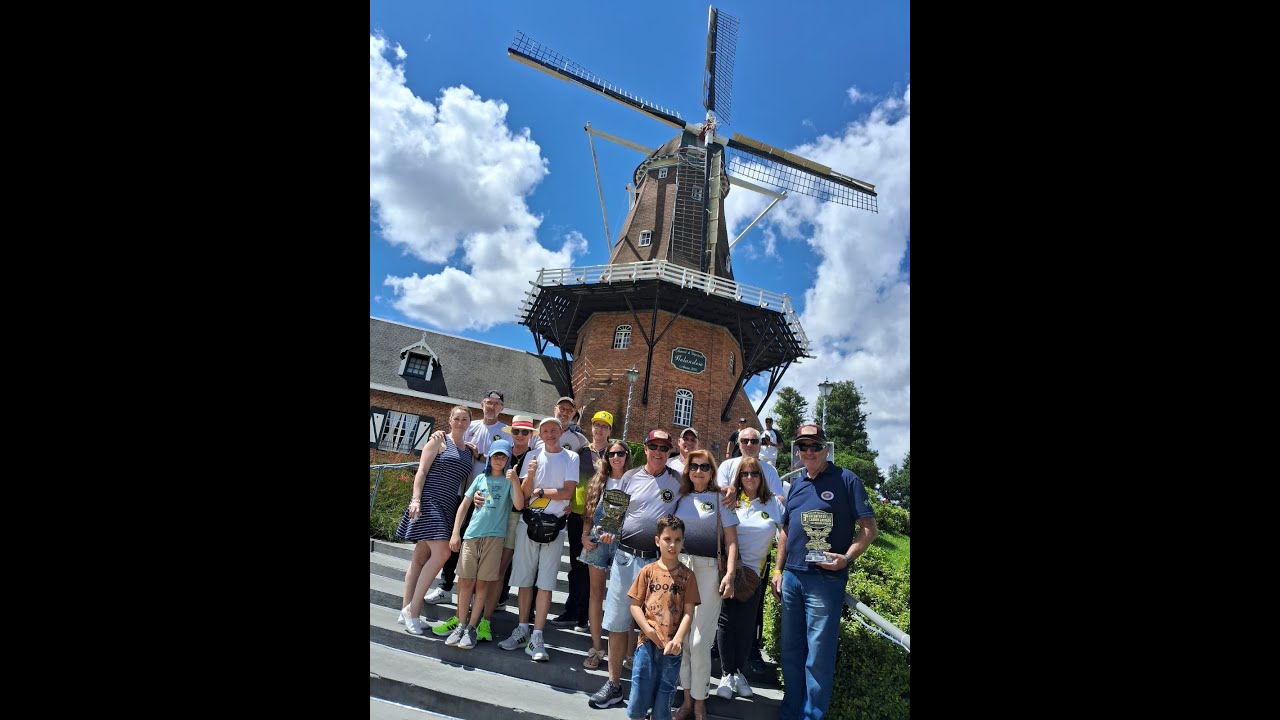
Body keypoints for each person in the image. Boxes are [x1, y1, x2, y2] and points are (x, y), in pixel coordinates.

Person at [773, 425, 879, 720]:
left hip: (825, 580)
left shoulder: (847, 480)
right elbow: (785, 531)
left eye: (814, 446)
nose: (808, 452)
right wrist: (778, 570)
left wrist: (846, 558)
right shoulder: (796, 485)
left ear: (825, 449)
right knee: (792, 653)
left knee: (817, 658)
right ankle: (790, 713)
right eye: (803, 446)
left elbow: (869, 530)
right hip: (792, 577)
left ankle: (811, 716)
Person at [587, 429, 683, 710]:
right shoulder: (629, 477)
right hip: (625, 557)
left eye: (664, 448)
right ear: (645, 447)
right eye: (653, 445)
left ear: (669, 452)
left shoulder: (677, 481)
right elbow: (615, 516)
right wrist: (606, 532)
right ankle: (614, 685)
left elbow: (704, 489)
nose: (658, 452)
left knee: (653, 628)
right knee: (617, 622)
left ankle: (650, 693)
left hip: (657, 564)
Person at [498, 417, 578, 662]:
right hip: (528, 523)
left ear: (561, 432)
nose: (550, 434)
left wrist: (541, 491)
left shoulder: (570, 458)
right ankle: (522, 628)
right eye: (545, 431)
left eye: (554, 430)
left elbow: (568, 492)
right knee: (524, 579)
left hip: (554, 527)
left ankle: (538, 635)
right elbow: (522, 494)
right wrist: (530, 477)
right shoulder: (533, 455)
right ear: (540, 434)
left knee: (545, 583)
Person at [394, 406, 475, 635]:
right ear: (449, 420)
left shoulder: (469, 451)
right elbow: (421, 471)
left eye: (464, 419)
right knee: (442, 553)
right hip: (429, 501)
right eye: (456, 418)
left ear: (469, 422)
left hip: (449, 505)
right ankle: (413, 611)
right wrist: (416, 499)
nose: (460, 422)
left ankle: (404, 610)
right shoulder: (438, 441)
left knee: (420, 557)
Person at [671, 449, 739, 720]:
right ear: (687, 470)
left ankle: (700, 701)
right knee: (683, 638)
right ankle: (688, 700)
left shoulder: (722, 499)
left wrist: (730, 575)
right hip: (680, 569)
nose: (699, 471)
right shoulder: (679, 497)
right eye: (694, 466)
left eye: (705, 467)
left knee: (700, 641)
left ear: (712, 471)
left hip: (710, 570)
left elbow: (732, 541)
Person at [442, 439, 525, 649]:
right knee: (465, 581)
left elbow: (519, 504)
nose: (499, 459)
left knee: (482, 584)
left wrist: (515, 479)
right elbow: (464, 505)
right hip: (471, 535)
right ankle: (460, 625)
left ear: (507, 460)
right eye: (495, 455)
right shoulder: (480, 478)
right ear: (489, 457)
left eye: (503, 456)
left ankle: (471, 627)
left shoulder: (508, 481)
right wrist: (455, 533)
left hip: (495, 539)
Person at [715, 456, 784, 699]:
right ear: (739, 477)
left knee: (746, 625)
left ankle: (738, 672)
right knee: (725, 621)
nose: (749, 478)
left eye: (754, 474)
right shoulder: (731, 500)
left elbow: (785, 532)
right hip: (729, 570)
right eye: (744, 474)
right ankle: (726, 673)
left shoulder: (773, 504)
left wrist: (778, 569)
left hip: (755, 574)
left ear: (761, 477)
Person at [625, 514, 699, 720]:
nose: (672, 545)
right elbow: (634, 606)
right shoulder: (647, 572)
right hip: (647, 644)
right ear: (657, 541)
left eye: (677, 540)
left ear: (683, 542)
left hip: (672, 648)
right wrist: (648, 630)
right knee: (640, 689)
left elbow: (688, 613)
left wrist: (677, 640)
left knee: (664, 696)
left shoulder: (688, 576)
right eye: (667, 539)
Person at [552, 409, 615, 630]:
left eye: (604, 426)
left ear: (610, 431)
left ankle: (585, 616)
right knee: (575, 565)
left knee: (591, 567)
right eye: (596, 425)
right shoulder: (581, 452)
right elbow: (572, 480)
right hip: (578, 514)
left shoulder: (613, 454)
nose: (599, 429)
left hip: (599, 518)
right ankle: (571, 610)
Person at [578, 439, 635, 669]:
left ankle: (628, 653)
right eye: (611, 454)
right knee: (595, 594)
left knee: (626, 597)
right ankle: (596, 647)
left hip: (624, 542)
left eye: (620, 453)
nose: (616, 458)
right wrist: (583, 535)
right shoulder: (599, 481)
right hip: (597, 541)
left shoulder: (634, 481)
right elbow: (589, 513)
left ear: (626, 455)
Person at [716, 426, 785, 500]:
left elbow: (780, 498)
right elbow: (719, 494)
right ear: (739, 444)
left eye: (754, 442)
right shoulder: (726, 466)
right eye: (745, 441)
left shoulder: (770, 470)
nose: (749, 444)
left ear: (760, 444)